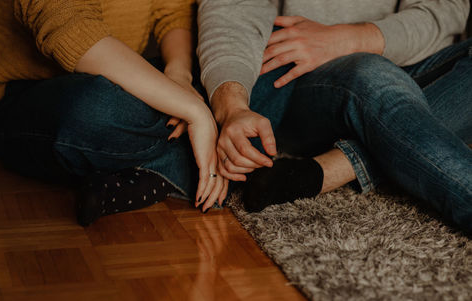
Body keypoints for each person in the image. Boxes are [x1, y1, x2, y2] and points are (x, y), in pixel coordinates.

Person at [197, 0, 472, 232]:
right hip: (306, 81)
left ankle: (333, 169)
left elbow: (444, 10)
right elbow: (234, 8)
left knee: (380, 74)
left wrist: (352, 38)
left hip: (415, 63)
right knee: (373, 73)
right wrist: (232, 106)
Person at [0, 0, 228, 226]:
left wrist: (179, 75)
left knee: (232, 83)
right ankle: (212, 165)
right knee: (98, 108)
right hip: (34, 94)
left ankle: (145, 174)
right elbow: (68, 24)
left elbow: (173, 10)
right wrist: (194, 110)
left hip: (121, 76)